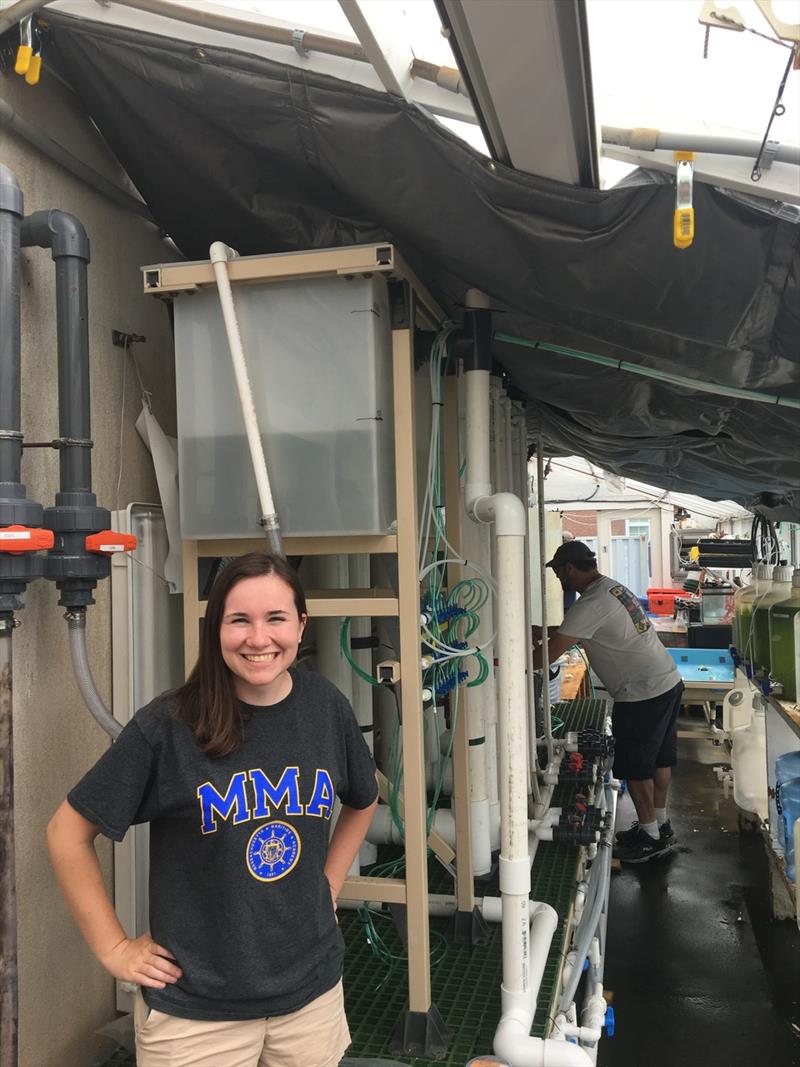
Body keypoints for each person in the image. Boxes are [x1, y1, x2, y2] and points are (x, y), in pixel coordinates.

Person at [47, 552, 379, 1067]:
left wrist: (329, 885)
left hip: (310, 1000)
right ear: (215, 628)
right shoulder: (170, 725)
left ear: (301, 624)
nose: (259, 638)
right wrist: (113, 949)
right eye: (239, 619)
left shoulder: (324, 704)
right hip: (196, 1017)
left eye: (276, 618)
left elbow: (362, 799)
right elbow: (66, 833)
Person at [533, 540, 683, 864]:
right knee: (659, 759)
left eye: (559, 573)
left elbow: (547, 654)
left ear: (569, 569)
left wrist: (502, 659)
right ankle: (660, 824)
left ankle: (649, 838)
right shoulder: (610, 589)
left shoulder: (589, 603)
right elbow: (574, 630)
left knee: (636, 766)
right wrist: (537, 630)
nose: (559, 580)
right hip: (667, 681)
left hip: (642, 693)